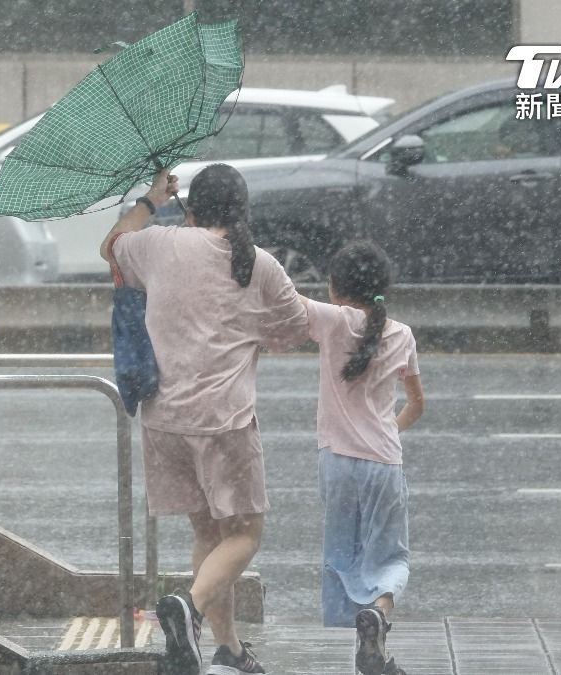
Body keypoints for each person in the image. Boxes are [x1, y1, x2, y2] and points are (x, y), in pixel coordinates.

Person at [100, 164, 311, 674]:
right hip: (223, 423)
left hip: (163, 420)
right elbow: (296, 328)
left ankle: (228, 648)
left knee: (208, 535)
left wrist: (151, 199)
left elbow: (112, 246)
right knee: (244, 535)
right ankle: (188, 610)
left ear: (191, 210)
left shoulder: (158, 244)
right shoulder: (260, 265)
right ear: (243, 212)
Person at [302, 240, 424, 675]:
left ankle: (353, 622)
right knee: (390, 558)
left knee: (341, 553)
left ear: (334, 287)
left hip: (335, 462)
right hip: (383, 464)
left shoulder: (330, 320)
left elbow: (283, 299)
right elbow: (415, 404)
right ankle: (378, 614)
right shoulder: (403, 334)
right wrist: (387, 429)